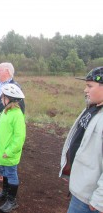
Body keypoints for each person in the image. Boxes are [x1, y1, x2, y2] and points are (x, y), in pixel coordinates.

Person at [59, 66, 103, 213]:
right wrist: (70, 169)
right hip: (82, 188)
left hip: (91, 199)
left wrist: (99, 200)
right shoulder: (93, 108)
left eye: (89, 86)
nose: (85, 90)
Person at [0, 83, 26, 213]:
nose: (1, 99)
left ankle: (12, 201)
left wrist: (9, 151)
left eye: (2, 97)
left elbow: (19, 138)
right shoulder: (5, 111)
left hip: (9, 153)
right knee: (4, 173)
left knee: (11, 174)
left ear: (9, 99)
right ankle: (4, 193)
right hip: (2, 151)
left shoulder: (17, 114)